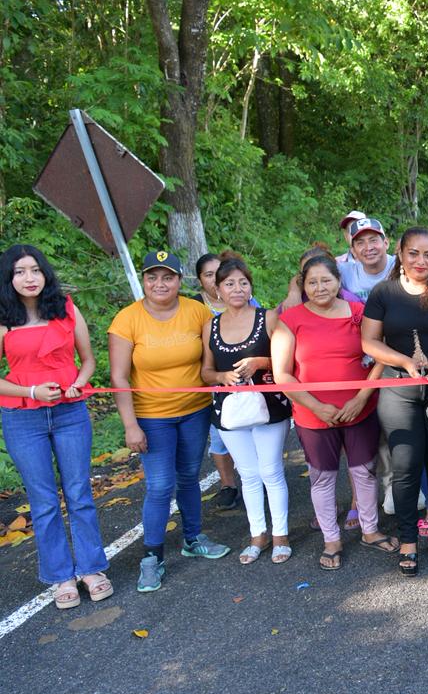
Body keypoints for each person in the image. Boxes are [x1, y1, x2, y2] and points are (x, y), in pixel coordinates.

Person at [109, 251, 230, 592]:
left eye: (168, 277)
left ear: (179, 281)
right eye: (152, 277)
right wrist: (130, 425)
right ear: (144, 280)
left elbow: (215, 354)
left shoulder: (198, 311)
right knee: (160, 485)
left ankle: (192, 538)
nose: (159, 284)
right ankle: (152, 557)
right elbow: (118, 377)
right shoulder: (127, 319)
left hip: (194, 410)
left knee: (189, 476)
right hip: (151, 416)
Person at [0, 245, 111, 607]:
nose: (29, 278)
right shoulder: (3, 317)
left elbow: (89, 360)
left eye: (35, 270)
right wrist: (30, 390)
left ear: (45, 273)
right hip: (22, 416)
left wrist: (79, 381)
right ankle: (60, 576)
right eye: (19, 272)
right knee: (43, 500)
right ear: (9, 277)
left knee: (79, 492)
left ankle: (91, 569)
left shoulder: (64, 307)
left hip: (69, 411)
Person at [273, 254, 397, 571]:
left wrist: (361, 397)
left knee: (363, 472)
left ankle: (370, 530)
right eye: (312, 282)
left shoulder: (359, 312)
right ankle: (331, 539)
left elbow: (381, 355)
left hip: (360, 409)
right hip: (313, 416)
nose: (320, 287)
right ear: (303, 286)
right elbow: (282, 374)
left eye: (326, 280)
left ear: (339, 282)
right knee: (323, 478)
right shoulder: (290, 319)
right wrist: (316, 405)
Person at [362, 228, 428, 577]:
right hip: (397, 388)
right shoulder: (383, 293)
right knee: (406, 466)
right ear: (400, 253)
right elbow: (369, 342)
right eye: (413, 254)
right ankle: (408, 539)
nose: (420, 261)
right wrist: (404, 362)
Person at [200, 257, 293, 565]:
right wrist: (221, 378)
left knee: (270, 471)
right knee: (249, 474)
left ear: (250, 285)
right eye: (229, 283)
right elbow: (206, 371)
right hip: (229, 409)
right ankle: (258, 536)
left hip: (269, 405)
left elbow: (288, 360)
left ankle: (281, 535)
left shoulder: (268, 318)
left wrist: (260, 363)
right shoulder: (210, 326)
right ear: (217, 289)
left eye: (243, 282)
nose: (237, 289)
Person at [193, 252, 242, 511]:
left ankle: (252, 479)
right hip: (212, 382)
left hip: (245, 381)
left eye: (218, 273)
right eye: (208, 275)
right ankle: (227, 485)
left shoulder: (243, 297)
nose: (214, 280)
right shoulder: (195, 306)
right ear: (200, 280)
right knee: (219, 435)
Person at [338, 217, 396, 302]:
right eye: (360, 243)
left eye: (373, 240)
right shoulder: (345, 273)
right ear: (353, 251)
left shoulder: (401, 266)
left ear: (386, 243)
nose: (368, 248)